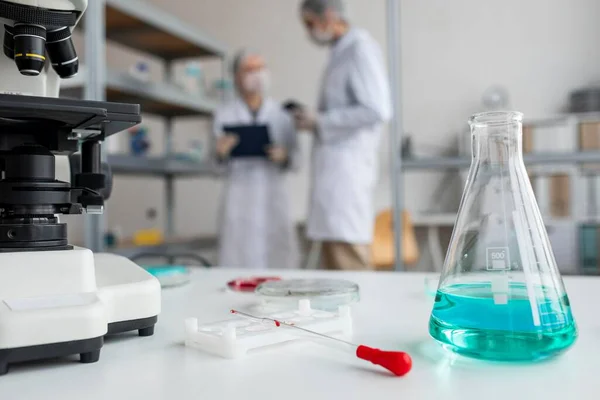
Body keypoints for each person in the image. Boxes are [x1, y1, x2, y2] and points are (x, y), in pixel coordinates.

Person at [296, 0, 391, 270]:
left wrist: (321, 120)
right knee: (335, 265)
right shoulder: (339, 52)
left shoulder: (359, 48)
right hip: (335, 174)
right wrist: (316, 121)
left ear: (328, 15)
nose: (308, 31)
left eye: (309, 23)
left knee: (350, 262)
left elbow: (377, 109)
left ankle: (365, 315)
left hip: (347, 174)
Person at [214, 50, 301, 270]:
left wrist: (285, 156)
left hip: (273, 195)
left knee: (279, 264)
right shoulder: (223, 114)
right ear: (236, 77)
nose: (257, 75)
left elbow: (297, 160)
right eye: (249, 70)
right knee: (238, 265)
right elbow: (213, 166)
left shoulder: (281, 114)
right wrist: (221, 153)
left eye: (260, 68)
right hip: (239, 198)